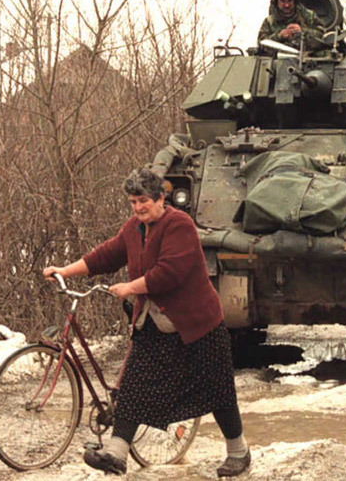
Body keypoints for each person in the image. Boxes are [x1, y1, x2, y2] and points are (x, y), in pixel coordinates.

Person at [42, 168, 250, 477]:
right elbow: (104, 257)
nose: (138, 207)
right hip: (153, 322)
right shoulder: (133, 229)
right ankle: (117, 452)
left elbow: (170, 272)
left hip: (197, 324)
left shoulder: (179, 225)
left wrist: (130, 287)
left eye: (143, 201)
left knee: (217, 390)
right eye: (133, 202)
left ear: (160, 199)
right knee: (133, 386)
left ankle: (239, 452)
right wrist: (64, 270)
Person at [257, 0, 325, 53]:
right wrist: (279, 36)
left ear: (295, 0)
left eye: (289, 1)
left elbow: (322, 37)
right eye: (282, 1)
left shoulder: (309, 16)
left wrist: (302, 31)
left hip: (308, 58)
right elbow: (261, 43)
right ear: (277, 1)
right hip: (279, 60)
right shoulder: (269, 22)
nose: (287, 5)